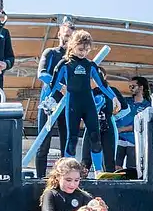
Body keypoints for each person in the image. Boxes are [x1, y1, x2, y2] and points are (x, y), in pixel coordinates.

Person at [44, 30, 119, 175]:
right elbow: (54, 84)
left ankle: (98, 171)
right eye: (80, 49)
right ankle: (66, 172)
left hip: (88, 105)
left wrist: (113, 97)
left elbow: (102, 84)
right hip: (73, 105)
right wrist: (49, 99)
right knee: (72, 138)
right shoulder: (64, 64)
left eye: (86, 50)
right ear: (72, 46)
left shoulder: (90, 65)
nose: (83, 53)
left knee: (95, 136)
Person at [34, 19, 73, 177]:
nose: (67, 39)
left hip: (67, 105)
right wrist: (59, 86)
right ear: (59, 35)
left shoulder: (76, 59)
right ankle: (39, 178)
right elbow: (42, 74)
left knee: (67, 143)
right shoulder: (50, 53)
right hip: (49, 103)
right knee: (43, 143)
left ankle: (65, 178)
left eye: (71, 36)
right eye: (65, 35)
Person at [80, 66, 121, 174]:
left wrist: (114, 115)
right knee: (86, 157)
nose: (96, 79)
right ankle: (81, 180)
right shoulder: (88, 91)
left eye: (99, 76)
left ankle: (109, 181)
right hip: (91, 127)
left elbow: (125, 108)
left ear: (104, 77)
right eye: (93, 76)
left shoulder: (112, 90)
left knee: (109, 157)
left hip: (107, 126)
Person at [114, 75, 152, 171]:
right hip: (119, 139)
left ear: (141, 87)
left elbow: (143, 124)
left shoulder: (148, 106)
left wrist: (122, 129)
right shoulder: (125, 102)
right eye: (129, 86)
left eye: (133, 86)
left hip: (135, 140)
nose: (130, 89)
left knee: (131, 169)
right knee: (115, 167)